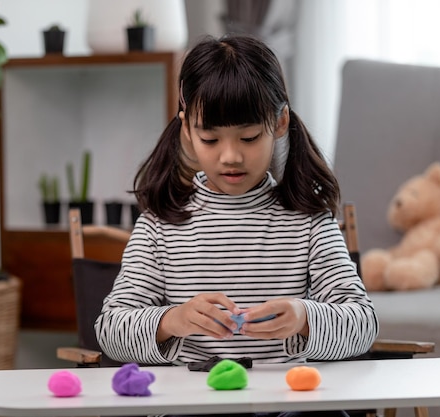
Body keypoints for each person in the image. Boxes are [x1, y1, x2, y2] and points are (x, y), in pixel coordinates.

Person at [94, 34, 378, 417]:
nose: (230, 156)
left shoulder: (308, 219)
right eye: (210, 139)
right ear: (187, 130)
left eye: (248, 137)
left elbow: (362, 321)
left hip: (287, 405)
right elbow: (111, 329)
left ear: (279, 122)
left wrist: (304, 317)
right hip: (193, 407)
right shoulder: (160, 225)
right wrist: (171, 320)